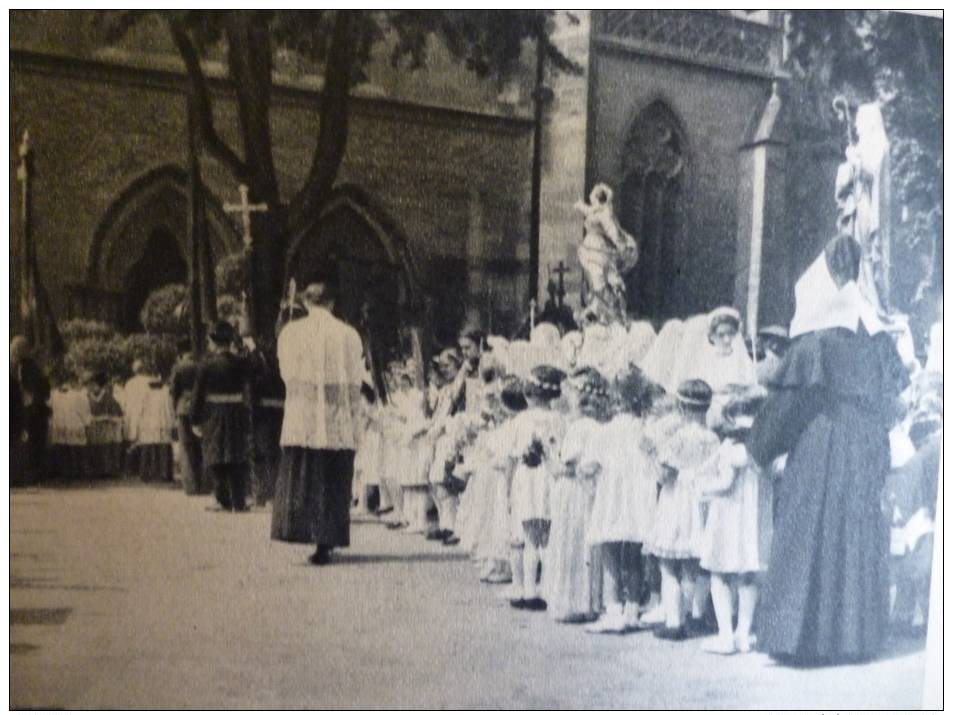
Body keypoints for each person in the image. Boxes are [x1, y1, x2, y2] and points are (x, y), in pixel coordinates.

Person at [749, 235, 908, 664]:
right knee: (853, 536)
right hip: (865, 446)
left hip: (823, 446)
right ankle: (853, 639)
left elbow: (790, 404)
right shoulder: (875, 339)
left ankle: (802, 641)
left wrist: (760, 448)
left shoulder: (817, 343)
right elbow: (894, 396)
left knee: (810, 534)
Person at [271, 279, 370, 565]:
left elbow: (286, 373)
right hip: (337, 416)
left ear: (305, 302)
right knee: (332, 478)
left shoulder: (291, 333)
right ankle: (326, 539)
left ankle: (301, 530)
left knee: (304, 475)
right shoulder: (349, 334)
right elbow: (355, 377)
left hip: (303, 416)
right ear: (331, 303)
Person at [642, 379, 720, 641]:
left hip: (677, 502)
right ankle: (691, 616)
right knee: (692, 565)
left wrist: (652, 456)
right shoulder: (712, 438)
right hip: (701, 502)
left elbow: (665, 476)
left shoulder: (676, 439)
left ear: (682, 409)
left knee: (669, 565)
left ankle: (674, 621)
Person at [696, 386, 772, 655]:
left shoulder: (731, 446)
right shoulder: (764, 447)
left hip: (729, 517)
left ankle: (725, 634)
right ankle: (743, 633)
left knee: (719, 574)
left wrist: (704, 488)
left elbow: (726, 483)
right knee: (748, 575)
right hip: (754, 522)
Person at [584, 367, 660, 633]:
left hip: (613, 496)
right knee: (633, 554)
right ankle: (631, 611)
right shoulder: (646, 428)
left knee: (610, 552)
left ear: (616, 400)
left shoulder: (605, 432)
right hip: (639, 497)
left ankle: (613, 608)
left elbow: (589, 465)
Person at [505, 365, 567, 611]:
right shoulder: (560, 420)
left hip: (526, 479)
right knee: (546, 538)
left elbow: (511, 455)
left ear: (529, 393)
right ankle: (548, 589)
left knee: (529, 538)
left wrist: (509, 487)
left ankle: (528, 589)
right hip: (548, 477)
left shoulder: (520, 420)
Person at [191, 321, 253, 511]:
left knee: (215, 454)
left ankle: (222, 499)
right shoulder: (241, 363)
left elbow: (198, 395)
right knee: (236, 454)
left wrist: (195, 418)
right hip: (236, 411)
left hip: (214, 413)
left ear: (212, 341)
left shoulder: (206, 366)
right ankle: (239, 501)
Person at [247, 338, 285, 507]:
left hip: (262, 414)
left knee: (261, 454)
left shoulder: (257, 372)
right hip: (280, 413)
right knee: (274, 454)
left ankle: (261, 494)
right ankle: (273, 493)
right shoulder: (283, 368)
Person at [11, 336, 51, 484]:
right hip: (35, 412)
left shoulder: (26, 368)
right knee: (34, 445)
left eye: (13, 351)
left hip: (30, 413)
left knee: (29, 445)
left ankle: (29, 476)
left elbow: (28, 393)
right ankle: (34, 476)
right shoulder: (35, 367)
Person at [170, 341, 206, 495]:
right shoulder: (202, 365)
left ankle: (191, 486)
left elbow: (174, 391)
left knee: (186, 447)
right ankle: (205, 484)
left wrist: (175, 409)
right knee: (201, 446)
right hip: (201, 408)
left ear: (180, 353)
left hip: (183, 408)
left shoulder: (179, 367)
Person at [135, 367, 176, 483]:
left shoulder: (145, 393)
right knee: (163, 449)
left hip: (149, 424)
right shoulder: (166, 393)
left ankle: (147, 473)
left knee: (148, 448)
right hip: (162, 423)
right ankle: (164, 473)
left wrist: (139, 423)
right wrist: (172, 422)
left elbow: (140, 410)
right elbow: (170, 410)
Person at [85, 371, 125, 478]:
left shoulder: (108, 397)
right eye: (91, 385)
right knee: (95, 447)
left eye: (94, 384)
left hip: (105, 425)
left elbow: (117, 412)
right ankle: (96, 470)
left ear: (100, 385)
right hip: (95, 425)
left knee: (106, 448)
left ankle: (107, 470)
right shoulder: (88, 396)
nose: (92, 387)